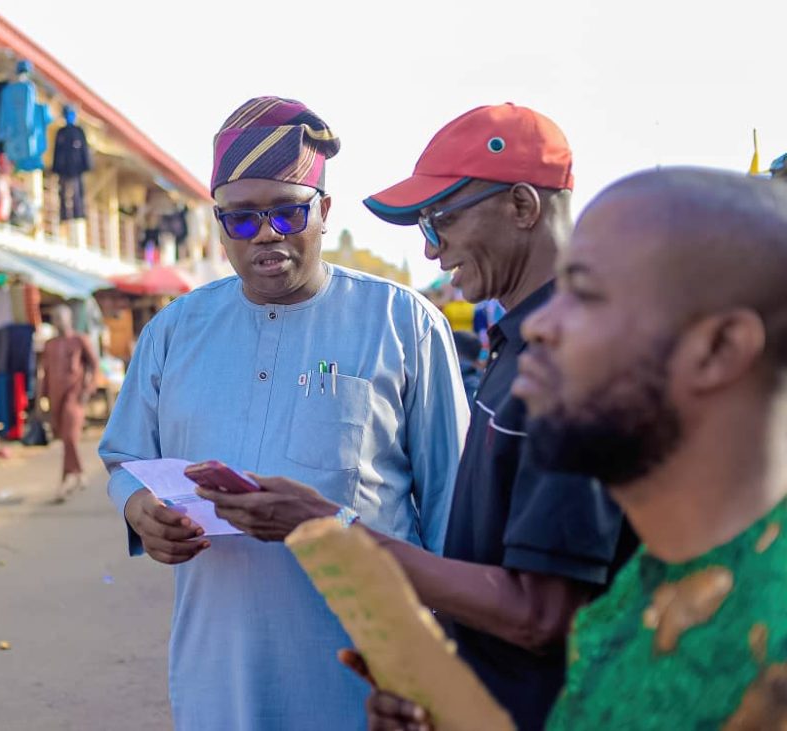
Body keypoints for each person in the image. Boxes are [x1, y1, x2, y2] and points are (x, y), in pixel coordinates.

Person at [201, 103, 633, 730]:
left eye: (442, 220)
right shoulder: (520, 347)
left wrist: (331, 530)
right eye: (240, 219)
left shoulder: (576, 365)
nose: (432, 251)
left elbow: (542, 617)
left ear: (521, 206)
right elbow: (491, 570)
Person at [359, 168, 787, 729]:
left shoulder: (767, 639)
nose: (536, 328)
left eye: (583, 292)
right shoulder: (633, 597)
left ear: (718, 349)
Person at [98, 96, 469, 731]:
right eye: (240, 219)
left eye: (287, 211)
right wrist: (139, 510)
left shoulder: (404, 324)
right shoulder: (174, 331)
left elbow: (453, 515)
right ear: (219, 225)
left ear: (323, 211)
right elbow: (126, 458)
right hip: (218, 676)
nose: (266, 234)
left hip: (366, 683)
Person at [39, 304, 96, 501]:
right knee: (64, 438)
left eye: (60, 317)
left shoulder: (79, 340)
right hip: (56, 397)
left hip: (74, 394)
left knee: (70, 437)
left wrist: (88, 390)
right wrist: (41, 399)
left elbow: (94, 366)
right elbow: (45, 373)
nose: (57, 322)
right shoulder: (50, 344)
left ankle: (65, 482)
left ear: (69, 318)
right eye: (54, 318)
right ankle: (77, 474)